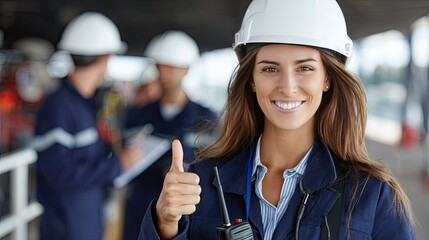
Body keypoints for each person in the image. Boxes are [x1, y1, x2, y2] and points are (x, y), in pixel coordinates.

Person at [138, 0, 416, 239]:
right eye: (270, 68)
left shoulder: (373, 196)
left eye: (305, 68)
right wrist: (164, 225)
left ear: (327, 79)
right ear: (252, 81)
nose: (287, 86)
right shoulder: (201, 183)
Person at [33, 12, 141, 240]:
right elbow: (58, 175)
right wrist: (117, 166)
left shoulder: (85, 104)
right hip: (65, 229)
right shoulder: (59, 107)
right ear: (103, 58)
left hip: (84, 222)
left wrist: (115, 148)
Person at [122, 30, 218, 240]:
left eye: (173, 68)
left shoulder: (206, 118)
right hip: (142, 205)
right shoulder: (136, 115)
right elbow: (124, 161)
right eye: (161, 66)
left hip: (186, 209)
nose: (165, 74)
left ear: (187, 69)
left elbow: (215, 167)